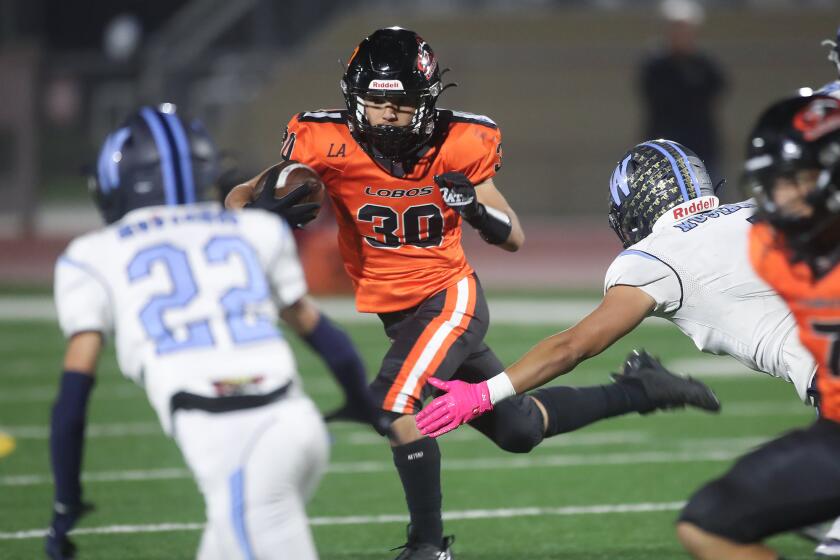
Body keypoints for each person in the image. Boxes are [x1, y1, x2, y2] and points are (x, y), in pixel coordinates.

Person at [226, 27, 718, 560]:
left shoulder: (460, 140)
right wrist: (255, 217)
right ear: (354, 97)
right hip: (399, 313)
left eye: (401, 102)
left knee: (394, 407)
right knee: (519, 427)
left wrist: (476, 211)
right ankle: (642, 390)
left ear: (427, 98)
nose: (388, 114)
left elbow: (513, 236)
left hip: (449, 299)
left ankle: (428, 547)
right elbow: (240, 196)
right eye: (376, 101)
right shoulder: (321, 139)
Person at [45, 105, 367, 559]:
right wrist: (363, 400)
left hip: (238, 443)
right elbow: (320, 331)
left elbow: (72, 402)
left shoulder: (92, 255)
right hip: (298, 423)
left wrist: (65, 502)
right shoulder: (254, 230)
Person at [416, 137, 815, 437]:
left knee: (724, 519)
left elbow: (573, 346)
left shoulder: (659, 255)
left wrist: (484, 394)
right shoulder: (758, 209)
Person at [676, 94, 840, 560]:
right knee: (706, 523)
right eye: (773, 183)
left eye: (793, 180)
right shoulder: (773, 247)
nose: (780, 197)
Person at [638, 0, 727, 181]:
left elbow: (718, 88)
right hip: (663, 148)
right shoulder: (655, 66)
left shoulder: (703, 64)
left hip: (701, 147)